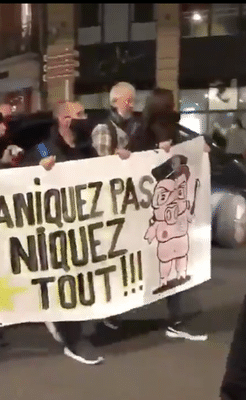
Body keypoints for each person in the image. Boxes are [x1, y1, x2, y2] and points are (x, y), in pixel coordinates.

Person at [19, 101, 104, 365]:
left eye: (83, 113)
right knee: (66, 277)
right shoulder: (45, 146)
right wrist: (40, 167)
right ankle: (73, 337)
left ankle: (73, 324)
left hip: (83, 221)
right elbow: (30, 168)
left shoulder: (86, 147)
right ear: (63, 120)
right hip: (57, 224)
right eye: (76, 115)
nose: (82, 119)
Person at [124, 88, 209, 341]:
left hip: (169, 208)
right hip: (142, 206)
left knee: (175, 261)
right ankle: (114, 313)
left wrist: (199, 149)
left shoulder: (166, 128)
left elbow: (189, 152)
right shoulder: (133, 128)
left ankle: (176, 318)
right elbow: (123, 158)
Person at [91, 82, 141, 158]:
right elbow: (103, 160)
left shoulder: (138, 125)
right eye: (128, 101)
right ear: (115, 102)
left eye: (134, 101)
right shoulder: (103, 128)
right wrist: (116, 154)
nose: (132, 105)